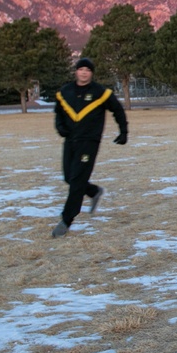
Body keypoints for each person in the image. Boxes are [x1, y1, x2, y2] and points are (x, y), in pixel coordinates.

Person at [52, 58, 128, 238]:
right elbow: (58, 113)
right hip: (71, 141)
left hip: (89, 142)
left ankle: (66, 220)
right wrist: (60, 127)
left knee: (77, 180)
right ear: (76, 72)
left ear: (91, 73)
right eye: (81, 69)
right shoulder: (65, 92)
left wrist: (123, 131)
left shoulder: (100, 92)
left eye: (88, 70)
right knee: (69, 177)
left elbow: (118, 110)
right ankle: (94, 191)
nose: (84, 72)